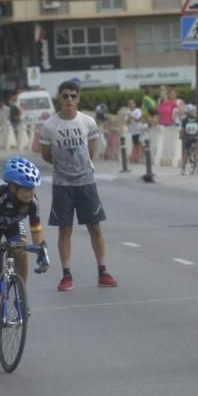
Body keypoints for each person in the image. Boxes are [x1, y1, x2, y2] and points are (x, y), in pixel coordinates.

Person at [39, 80, 117, 291]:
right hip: (62, 184)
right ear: (59, 98)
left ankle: (102, 271)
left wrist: (81, 168)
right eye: (65, 96)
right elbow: (46, 154)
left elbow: (91, 152)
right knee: (65, 229)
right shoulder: (49, 126)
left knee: (95, 226)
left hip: (86, 183)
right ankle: (66, 274)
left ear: (78, 98)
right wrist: (63, 167)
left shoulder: (88, 122)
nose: (69, 100)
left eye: (73, 96)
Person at [0, 158, 50, 284]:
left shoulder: (32, 202)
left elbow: (36, 228)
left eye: (33, 189)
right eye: (27, 189)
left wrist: (41, 253)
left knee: (21, 252)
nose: (31, 193)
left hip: (13, 225)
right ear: (12, 187)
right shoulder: (2, 197)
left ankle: (20, 295)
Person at [178, 104, 198, 174]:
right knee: (197, 147)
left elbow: (182, 130)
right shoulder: (196, 119)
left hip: (188, 137)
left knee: (186, 151)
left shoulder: (184, 120)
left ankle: (183, 168)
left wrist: (181, 136)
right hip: (196, 137)